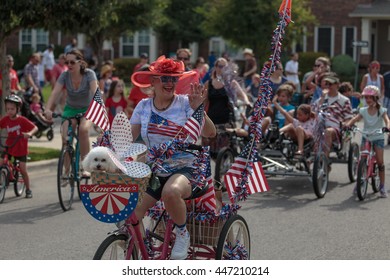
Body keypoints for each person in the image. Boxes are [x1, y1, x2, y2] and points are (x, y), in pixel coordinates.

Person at [130, 55, 216, 260]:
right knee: (131, 213)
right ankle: (143, 253)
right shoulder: (142, 106)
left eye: (173, 79)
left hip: (188, 168)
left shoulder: (186, 103)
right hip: (155, 169)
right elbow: (131, 143)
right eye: (164, 78)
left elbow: (210, 133)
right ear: (153, 81)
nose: (169, 83)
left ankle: (183, 234)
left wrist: (198, 110)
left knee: (170, 192)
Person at [44, 49, 98, 174]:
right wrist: (47, 109)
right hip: (70, 109)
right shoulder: (64, 75)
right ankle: (67, 171)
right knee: (65, 138)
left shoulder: (89, 74)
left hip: (87, 109)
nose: (69, 65)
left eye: (72, 62)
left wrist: (99, 110)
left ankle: (86, 167)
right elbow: (55, 92)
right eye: (66, 62)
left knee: (83, 130)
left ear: (80, 62)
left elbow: (95, 92)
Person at [346, 85, 390, 198]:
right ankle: (359, 182)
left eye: (370, 97)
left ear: (376, 98)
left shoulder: (381, 110)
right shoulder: (363, 110)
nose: (368, 100)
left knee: (380, 162)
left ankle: (382, 186)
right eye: (366, 97)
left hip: (378, 137)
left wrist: (388, 127)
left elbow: (387, 120)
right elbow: (355, 118)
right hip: (366, 136)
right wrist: (348, 125)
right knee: (362, 159)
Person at [202, 57, 250, 157]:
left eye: (225, 67)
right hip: (211, 120)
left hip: (226, 121)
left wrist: (247, 102)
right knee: (207, 154)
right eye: (220, 66)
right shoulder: (209, 84)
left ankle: (223, 171)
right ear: (215, 67)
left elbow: (242, 95)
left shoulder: (231, 83)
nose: (222, 69)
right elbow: (204, 102)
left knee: (224, 153)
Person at [0, 95, 38, 198]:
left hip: (21, 149)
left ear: (17, 109)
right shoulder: (6, 119)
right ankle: (4, 179)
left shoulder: (22, 120)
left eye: (12, 109)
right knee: (1, 162)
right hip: (9, 146)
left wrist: (29, 133)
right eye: (7, 109)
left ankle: (28, 189)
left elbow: (35, 128)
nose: (9, 111)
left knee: (22, 169)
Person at [312, 74, 353, 169]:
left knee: (328, 132)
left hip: (335, 127)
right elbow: (313, 112)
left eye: (330, 84)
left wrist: (346, 124)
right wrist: (322, 98)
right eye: (326, 84)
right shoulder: (321, 99)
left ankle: (324, 161)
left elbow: (348, 117)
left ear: (337, 85)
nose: (328, 86)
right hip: (320, 125)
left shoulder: (344, 100)